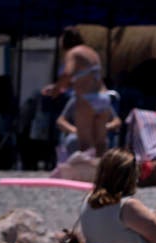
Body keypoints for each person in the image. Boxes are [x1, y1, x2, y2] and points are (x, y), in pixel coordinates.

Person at [42, 27, 113, 156]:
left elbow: (67, 73)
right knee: (100, 143)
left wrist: (56, 89)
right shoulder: (91, 52)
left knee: (85, 143)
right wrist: (59, 86)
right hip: (103, 96)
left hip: (87, 99)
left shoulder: (73, 53)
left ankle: (87, 174)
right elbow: (85, 77)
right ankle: (102, 172)